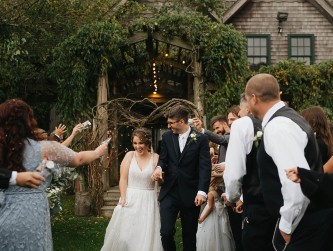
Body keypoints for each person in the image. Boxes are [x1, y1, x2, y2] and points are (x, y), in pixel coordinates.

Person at [0, 99, 108, 251]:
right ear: (29, 121)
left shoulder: (2, 149)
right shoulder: (44, 148)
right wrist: (98, 152)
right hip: (32, 211)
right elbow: (79, 158)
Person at [245, 73, 333, 251]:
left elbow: (293, 179)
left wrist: (286, 224)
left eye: (247, 99)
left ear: (254, 98)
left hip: (305, 222)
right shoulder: (291, 118)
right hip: (309, 217)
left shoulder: (279, 127)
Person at [151, 105, 211, 251]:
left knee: (189, 237)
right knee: (165, 232)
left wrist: (202, 191)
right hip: (169, 192)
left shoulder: (201, 139)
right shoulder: (166, 137)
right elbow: (163, 159)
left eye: (171, 123)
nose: (168, 125)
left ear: (182, 122)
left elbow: (205, 167)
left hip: (191, 193)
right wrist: (159, 168)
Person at [224, 93, 276, 251]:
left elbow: (234, 172)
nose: (238, 114)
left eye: (239, 110)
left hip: (255, 202)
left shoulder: (242, 125)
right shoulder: (276, 122)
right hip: (277, 202)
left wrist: (233, 196)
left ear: (248, 107)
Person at [101, 128, 163, 251]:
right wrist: (123, 198)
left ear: (147, 143)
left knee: (145, 232)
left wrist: (158, 178)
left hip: (148, 200)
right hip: (130, 197)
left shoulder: (155, 157)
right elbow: (123, 179)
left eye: (141, 143)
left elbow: (161, 182)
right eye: (135, 143)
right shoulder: (129, 155)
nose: (137, 146)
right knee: (127, 233)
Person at [196, 177, 235, 251]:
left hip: (212, 215)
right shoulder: (220, 191)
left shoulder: (211, 194)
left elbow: (210, 207)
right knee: (220, 233)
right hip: (220, 214)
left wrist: (202, 218)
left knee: (211, 234)